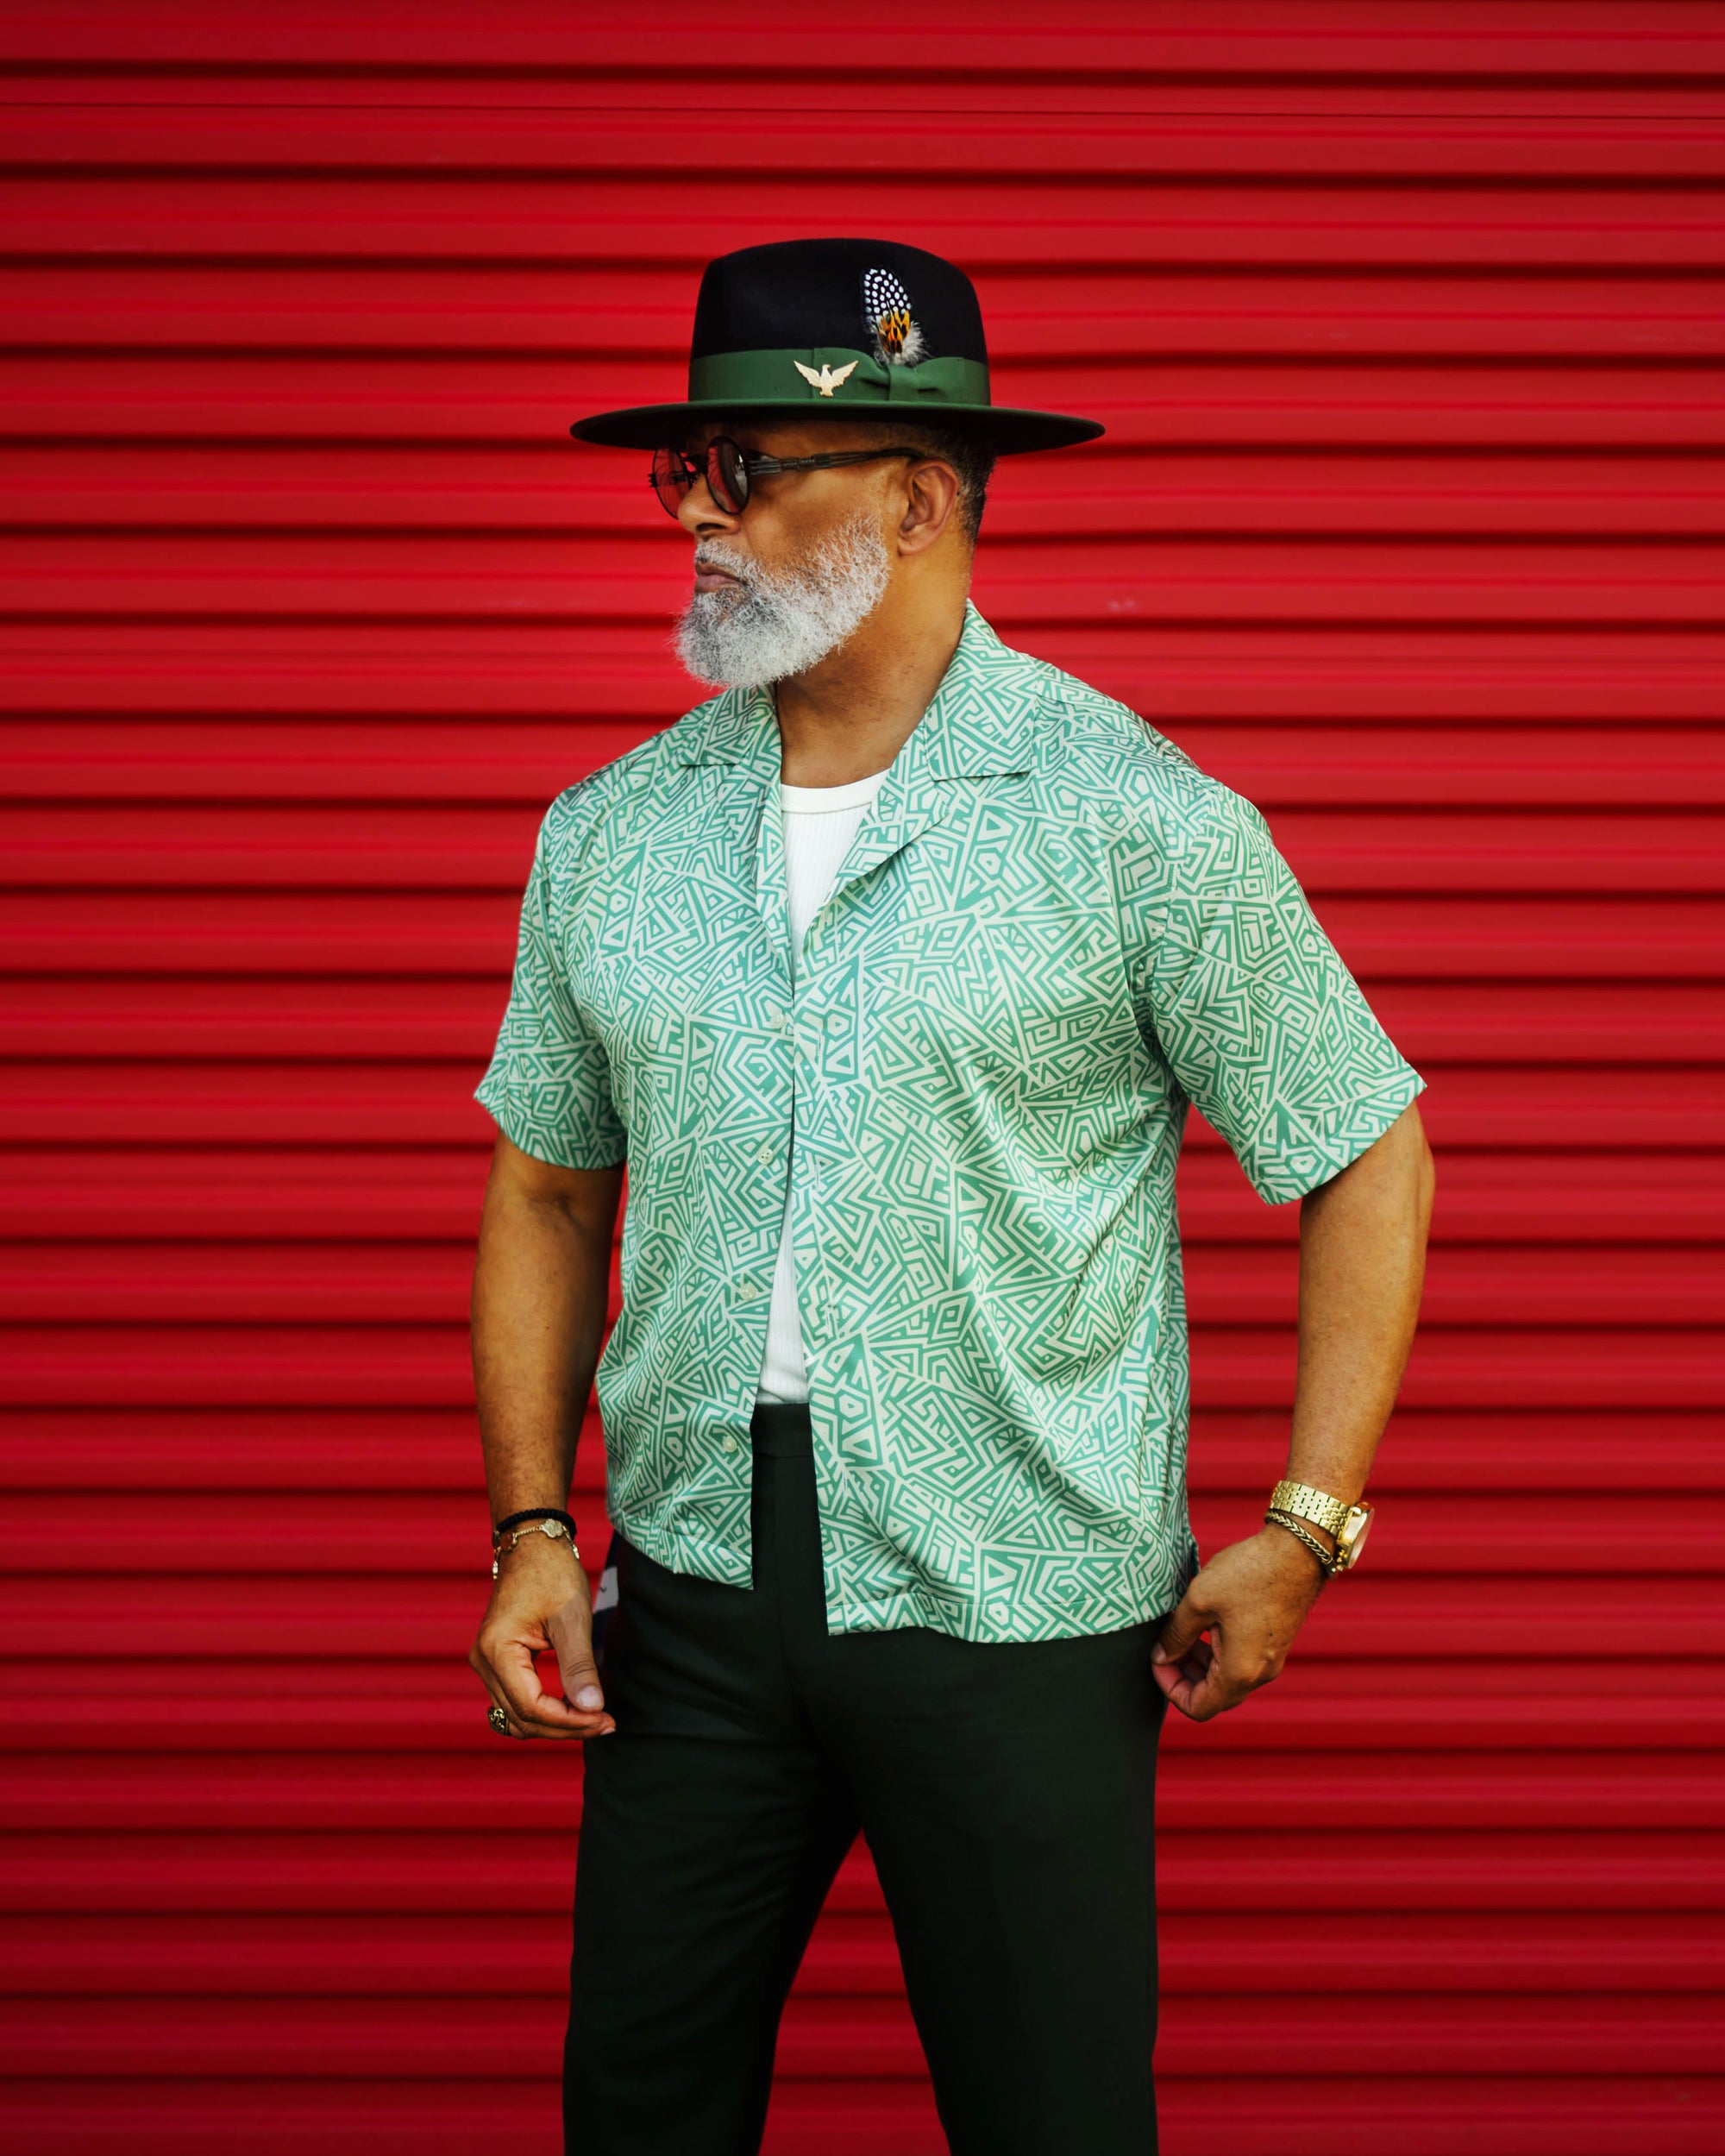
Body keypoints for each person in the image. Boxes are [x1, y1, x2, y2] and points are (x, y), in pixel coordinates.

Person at [467, 237, 1434, 2156]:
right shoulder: (612, 833)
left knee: (1049, 2120)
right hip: (693, 1601)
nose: (697, 514)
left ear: (917, 501)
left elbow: (1361, 1145)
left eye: (744, 469)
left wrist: (1306, 1525)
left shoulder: (1136, 821)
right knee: (636, 2115)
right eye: (683, 472)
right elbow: (549, 1193)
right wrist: (531, 1525)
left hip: (1025, 1609)